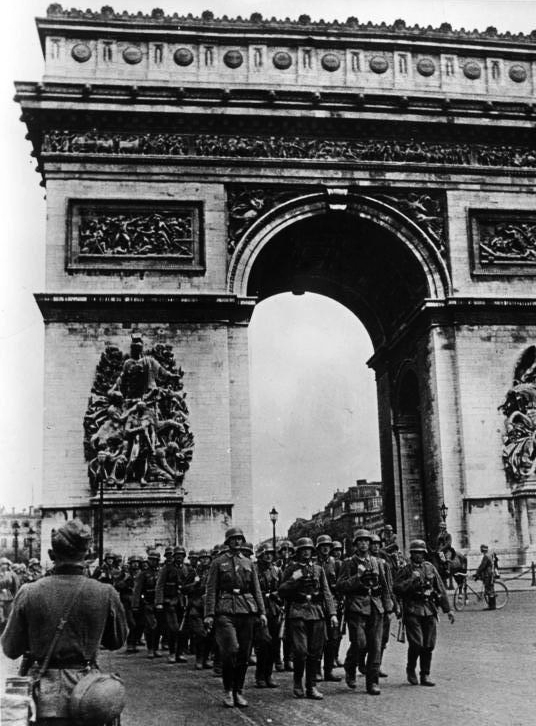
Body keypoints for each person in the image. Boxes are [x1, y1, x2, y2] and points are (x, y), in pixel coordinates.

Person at [1, 519, 127, 726]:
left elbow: (10, 648)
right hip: (91, 697)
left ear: (52, 556)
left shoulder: (29, 592)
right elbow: (116, 641)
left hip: (43, 700)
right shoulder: (105, 592)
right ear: (86, 556)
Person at [204, 527, 267, 708]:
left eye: (240, 539)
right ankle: (227, 690)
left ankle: (238, 691)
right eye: (234, 539)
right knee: (230, 650)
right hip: (225, 610)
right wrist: (209, 614)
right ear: (228, 542)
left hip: (247, 610)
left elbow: (256, 590)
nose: (237, 542)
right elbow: (211, 589)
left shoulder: (249, 563)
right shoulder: (218, 562)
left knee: (244, 654)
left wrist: (261, 612)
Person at [279, 537, 338, 700]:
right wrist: (295, 579)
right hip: (298, 612)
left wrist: (332, 614)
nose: (306, 552)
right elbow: (282, 590)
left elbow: (326, 592)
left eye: (309, 549)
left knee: (315, 651)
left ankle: (311, 686)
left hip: (317, 613)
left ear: (313, 552)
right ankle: (298, 681)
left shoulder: (319, 569)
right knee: (300, 651)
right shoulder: (292, 568)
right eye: (303, 549)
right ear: (298, 552)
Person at [336, 529, 393, 696]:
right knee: (360, 643)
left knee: (375, 645)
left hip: (376, 606)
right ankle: (350, 666)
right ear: (355, 544)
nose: (364, 544)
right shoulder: (349, 563)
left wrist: (388, 607)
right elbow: (340, 585)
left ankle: (372, 682)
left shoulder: (377, 562)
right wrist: (357, 578)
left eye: (366, 541)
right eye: (360, 541)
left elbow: (385, 586)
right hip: (356, 607)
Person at [393, 539, 455, 687]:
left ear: (424, 554)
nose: (418, 556)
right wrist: (411, 580)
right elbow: (397, 588)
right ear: (411, 554)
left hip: (429, 609)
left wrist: (448, 610)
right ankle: (411, 669)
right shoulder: (405, 569)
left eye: (421, 553)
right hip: (412, 609)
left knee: (429, 644)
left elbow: (440, 588)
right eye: (415, 553)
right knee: (416, 643)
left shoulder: (430, 568)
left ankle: (425, 674)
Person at [155, 545, 191, 663]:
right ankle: (172, 652)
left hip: (183, 602)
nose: (179, 558)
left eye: (181, 556)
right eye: (177, 556)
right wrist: (159, 602)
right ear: (173, 557)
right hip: (170, 602)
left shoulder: (187, 569)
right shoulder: (166, 568)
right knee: (173, 628)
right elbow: (159, 585)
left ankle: (180, 653)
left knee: (183, 629)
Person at [254, 544, 282, 689]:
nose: (269, 556)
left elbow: (282, 588)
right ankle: (260, 676)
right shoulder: (254, 570)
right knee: (263, 642)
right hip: (260, 609)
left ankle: (268, 675)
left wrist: (277, 596)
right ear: (259, 555)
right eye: (266, 554)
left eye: (271, 553)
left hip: (274, 609)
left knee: (274, 644)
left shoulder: (276, 570)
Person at [315, 534, 342, 683]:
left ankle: (328, 670)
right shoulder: (313, 564)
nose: (325, 548)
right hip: (318, 604)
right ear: (318, 548)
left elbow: (341, 582)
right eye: (322, 546)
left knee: (333, 638)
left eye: (328, 546)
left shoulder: (336, 564)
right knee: (319, 638)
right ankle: (317, 670)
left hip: (333, 604)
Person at [183, 549, 213, 670]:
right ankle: (199, 659)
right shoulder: (193, 572)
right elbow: (183, 589)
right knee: (200, 634)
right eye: (202, 558)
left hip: (209, 607)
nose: (204, 560)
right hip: (196, 607)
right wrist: (194, 585)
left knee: (210, 635)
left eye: (207, 558)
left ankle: (206, 659)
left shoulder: (214, 571)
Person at [132, 549, 163, 659]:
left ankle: (156, 647)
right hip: (147, 602)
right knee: (150, 626)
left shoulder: (161, 572)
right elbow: (137, 590)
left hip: (159, 603)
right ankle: (150, 648)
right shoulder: (143, 574)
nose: (154, 562)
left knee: (158, 626)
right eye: (152, 560)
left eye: (156, 560)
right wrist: (135, 605)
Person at [474, 544, 496, 610]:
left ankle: (492, 606)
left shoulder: (486, 556)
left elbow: (482, 566)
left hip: (488, 575)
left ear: (483, 549)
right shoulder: (489, 555)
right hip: (490, 574)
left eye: (481, 549)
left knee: (489, 589)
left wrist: (477, 573)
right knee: (490, 589)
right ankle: (492, 605)